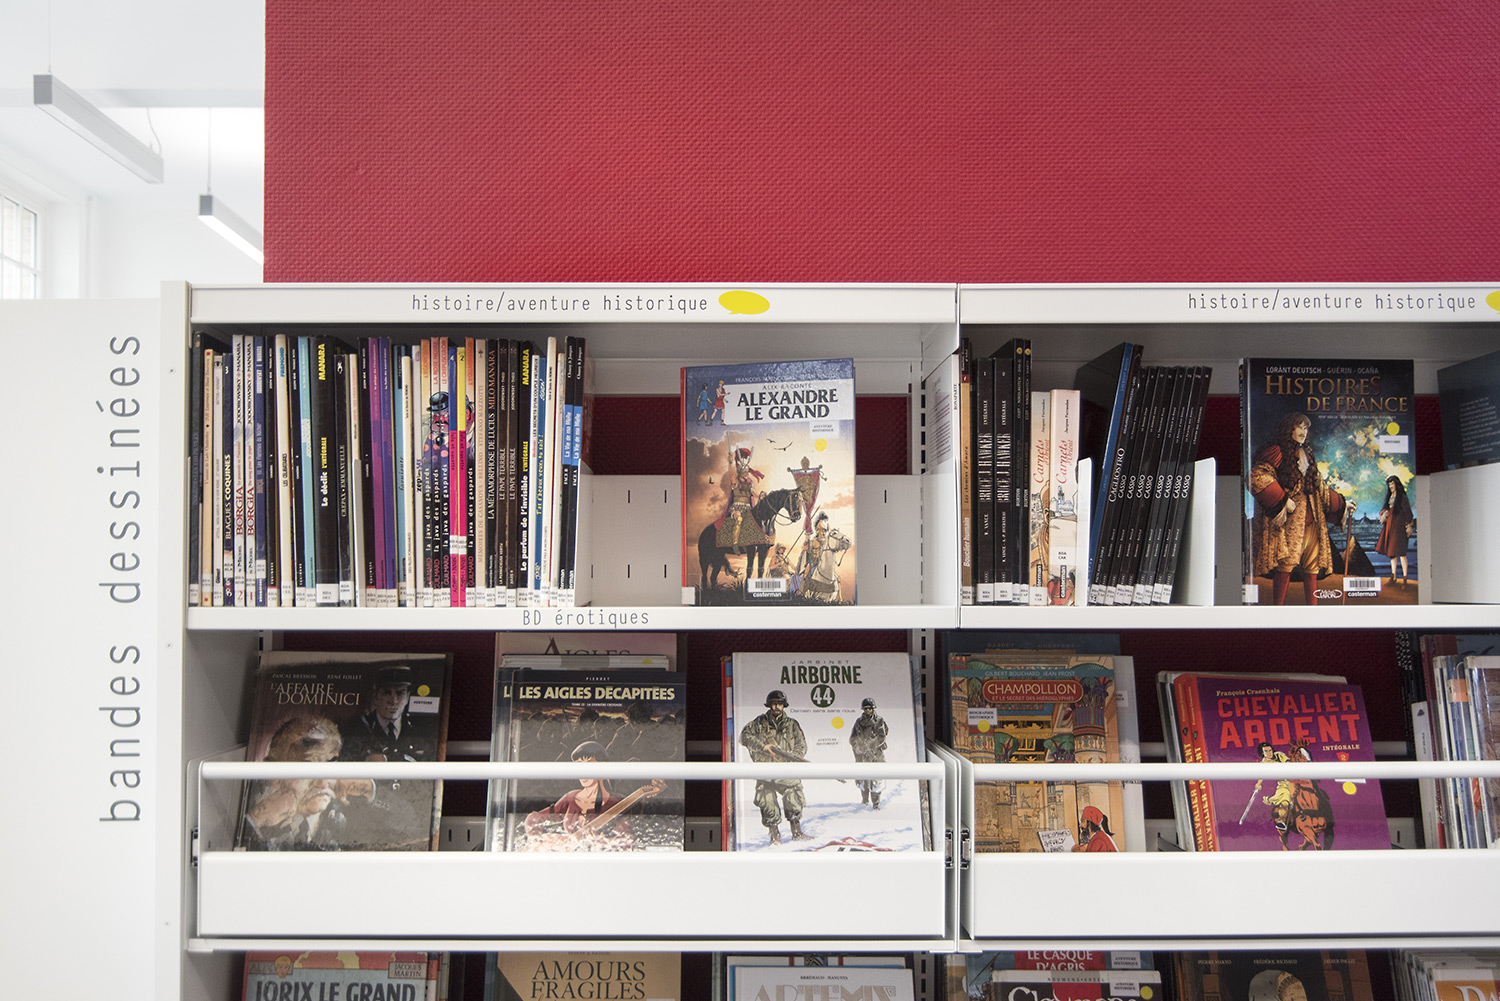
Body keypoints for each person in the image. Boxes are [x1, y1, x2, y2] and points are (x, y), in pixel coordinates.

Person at [1247, 411, 1353, 605]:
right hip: (1290, 521)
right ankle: (1277, 610)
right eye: (1299, 427)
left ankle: (1312, 611)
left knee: (1312, 569)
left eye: (1306, 428)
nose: (1303, 432)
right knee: (1285, 568)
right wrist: (1281, 499)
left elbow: (1320, 488)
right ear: (1290, 429)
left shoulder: (1308, 455)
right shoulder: (1277, 452)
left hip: (1313, 521)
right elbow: (1256, 476)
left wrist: (1343, 503)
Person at [242, 715, 371, 851]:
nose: (323, 783)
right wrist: (256, 819)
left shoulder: (341, 820)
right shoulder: (255, 816)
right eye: (309, 768)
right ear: (274, 775)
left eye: (330, 765)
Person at [522, 740, 664, 849]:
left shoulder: (617, 802)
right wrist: (541, 842)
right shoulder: (571, 798)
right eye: (579, 765)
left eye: (589, 764)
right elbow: (533, 819)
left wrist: (604, 843)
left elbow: (628, 842)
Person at [738, 690, 811, 844]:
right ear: (769, 705)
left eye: (780, 704)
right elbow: (744, 737)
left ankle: (796, 832)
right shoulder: (759, 722)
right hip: (765, 770)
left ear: (784, 705)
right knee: (767, 801)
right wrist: (762, 746)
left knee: (794, 797)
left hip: (786, 770)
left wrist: (795, 756)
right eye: (774, 704)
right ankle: (774, 836)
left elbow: (801, 744)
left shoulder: (792, 724)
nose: (777, 707)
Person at [718, 445, 769, 547]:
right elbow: (731, 473)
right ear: (741, 472)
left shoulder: (750, 483)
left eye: (747, 473)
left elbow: (754, 494)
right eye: (745, 473)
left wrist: (762, 495)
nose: (746, 474)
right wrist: (730, 462)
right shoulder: (735, 481)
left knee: (755, 522)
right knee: (739, 520)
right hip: (736, 507)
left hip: (748, 508)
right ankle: (735, 543)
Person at [848, 697, 888, 809]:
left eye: (870, 708)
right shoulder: (858, 722)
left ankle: (876, 804)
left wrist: (872, 747)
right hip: (862, 755)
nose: (868, 710)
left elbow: (882, 737)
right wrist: (859, 747)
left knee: (876, 779)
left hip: (876, 754)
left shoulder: (879, 721)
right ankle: (864, 800)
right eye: (866, 708)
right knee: (863, 779)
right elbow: (853, 738)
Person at [1376, 474, 1414, 585]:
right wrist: (1384, 513)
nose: (1391, 486)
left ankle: (1405, 578)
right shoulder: (1390, 497)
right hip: (1390, 526)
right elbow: (1385, 508)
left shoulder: (1402, 498)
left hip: (1399, 527)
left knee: (1401, 553)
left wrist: (1408, 525)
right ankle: (1393, 577)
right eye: (1389, 484)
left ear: (1396, 484)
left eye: (1392, 484)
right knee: (1392, 553)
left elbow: (1408, 513)